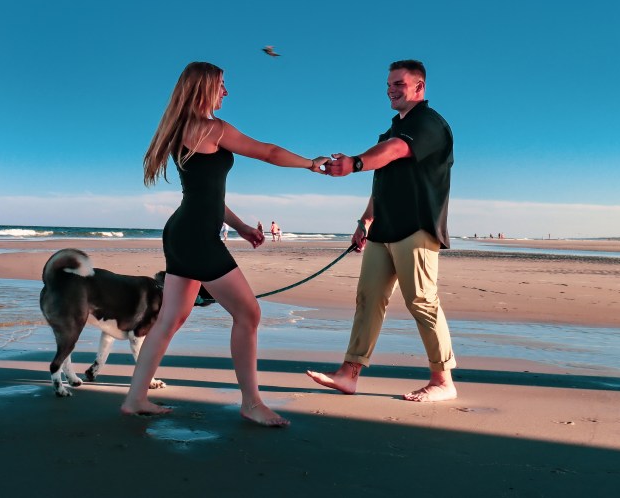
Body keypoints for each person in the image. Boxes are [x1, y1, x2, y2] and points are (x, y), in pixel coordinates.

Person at [120, 61, 329, 426]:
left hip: (182, 232)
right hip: (197, 237)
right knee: (248, 314)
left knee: (170, 319)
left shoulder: (180, 128)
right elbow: (267, 152)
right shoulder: (213, 128)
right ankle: (252, 403)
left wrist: (241, 226)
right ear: (203, 88)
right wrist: (310, 163)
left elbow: (207, 195)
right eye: (221, 85)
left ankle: (135, 398)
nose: (226, 92)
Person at [306, 59, 457, 402]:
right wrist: (365, 220)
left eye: (399, 84)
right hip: (382, 229)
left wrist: (355, 163)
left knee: (421, 300)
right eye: (389, 84)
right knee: (368, 298)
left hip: (416, 226)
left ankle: (442, 380)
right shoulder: (390, 130)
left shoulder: (429, 123)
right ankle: (348, 374)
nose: (391, 90)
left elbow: (396, 151)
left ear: (419, 87)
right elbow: (383, 182)